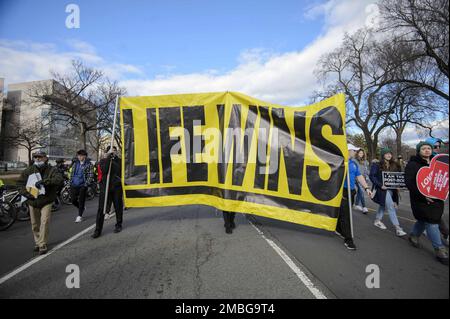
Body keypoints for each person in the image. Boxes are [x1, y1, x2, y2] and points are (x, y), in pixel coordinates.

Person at [405, 141, 448, 265]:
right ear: (419, 151)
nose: (427, 150)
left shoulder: (438, 164)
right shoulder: (413, 164)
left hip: (437, 199)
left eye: (429, 148)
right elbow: (409, 183)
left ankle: (413, 235)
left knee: (423, 221)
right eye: (423, 148)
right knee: (432, 222)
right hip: (420, 200)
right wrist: (423, 196)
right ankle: (439, 250)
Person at [16, 151, 63, 254]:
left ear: (45, 158)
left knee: (45, 222)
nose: (37, 159)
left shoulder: (52, 169)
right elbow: (20, 184)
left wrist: (45, 182)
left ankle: (42, 244)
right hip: (33, 201)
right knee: (34, 224)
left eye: (40, 157)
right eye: (36, 157)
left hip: (46, 200)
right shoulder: (28, 170)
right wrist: (26, 194)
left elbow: (59, 179)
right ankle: (37, 242)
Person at [336, 144, 372, 250]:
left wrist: (366, 188)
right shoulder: (341, 162)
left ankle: (338, 228)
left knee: (344, 213)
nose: (355, 152)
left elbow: (359, 176)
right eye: (353, 150)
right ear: (347, 151)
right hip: (342, 191)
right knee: (346, 216)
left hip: (351, 191)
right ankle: (348, 239)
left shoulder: (353, 163)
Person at [369, 148, 407, 237]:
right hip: (382, 189)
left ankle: (377, 220)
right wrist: (380, 184)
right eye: (386, 154)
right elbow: (372, 176)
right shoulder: (377, 165)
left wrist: (398, 185)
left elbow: (399, 177)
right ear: (383, 155)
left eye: (390, 153)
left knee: (383, 205)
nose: (389, 155)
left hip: (391, 189)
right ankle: (398, 228)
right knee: (390, 206)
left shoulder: (395, 165)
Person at [92, 146, 123, 238]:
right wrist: (108, 159)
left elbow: (119, 171)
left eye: (114, 150)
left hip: (116, 187)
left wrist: (113, 160)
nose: (112, 152)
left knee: (118, 206)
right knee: (101, 209)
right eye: (110, 150)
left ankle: (118, 224)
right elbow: (105, 170)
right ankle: (98, 230)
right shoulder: (103, 161)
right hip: (105, 187)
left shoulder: (119, 161)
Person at [425, 137, 449, 246]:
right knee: (435, 215)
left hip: (438, 191)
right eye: (435, 146)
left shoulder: (442, 159)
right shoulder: (423, 160)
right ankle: (446, 235)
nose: (438, 148)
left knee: (434, 214)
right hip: (426, 192)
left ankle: (418, 232)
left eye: (439, 146)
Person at [69, 150, 94, 223]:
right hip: (74, 184)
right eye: (78, 155)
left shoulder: (89, 165)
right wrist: (70, 182)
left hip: (82, 186)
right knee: (73, 200)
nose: (79, 157)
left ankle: (79, 216)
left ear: (85, 156)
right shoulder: (75, 164)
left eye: (81, 155)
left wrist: (85, 185)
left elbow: (90, 176)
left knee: (81, 201)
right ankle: (81, 208)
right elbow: (72, 174)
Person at [354, 149, 370, 214]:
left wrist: (367, 176)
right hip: (356, 178)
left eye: (362, 153)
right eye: (360, 153)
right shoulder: (354, 161)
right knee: (361, 191)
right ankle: (364, 207)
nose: (361, 154)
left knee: (359, 192)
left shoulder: (366, 161)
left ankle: (356, 204)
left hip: (363, 178)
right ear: (357, 153)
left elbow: (367, 170)